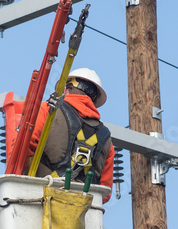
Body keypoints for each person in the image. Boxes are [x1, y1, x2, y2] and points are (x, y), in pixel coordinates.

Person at [28, 67, 115, 203]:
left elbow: (23, 149)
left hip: (41, 202)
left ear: (65, 89)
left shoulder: (48, 110)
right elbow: (105, 192)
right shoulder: (106, 138)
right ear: (94, 99)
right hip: (81, 213)